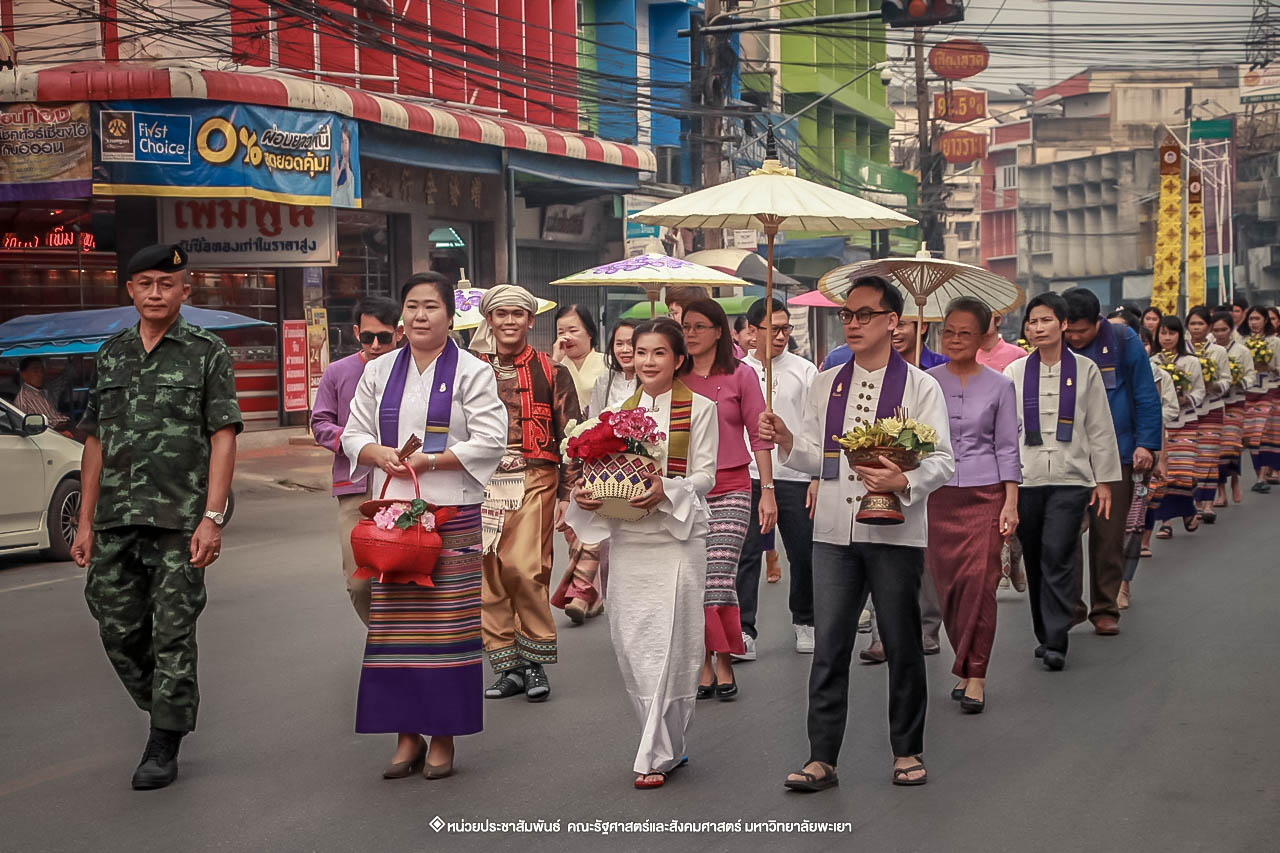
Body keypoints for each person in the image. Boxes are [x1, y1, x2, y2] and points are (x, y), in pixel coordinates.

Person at [759, 275, 954, 791]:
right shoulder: (827, 382)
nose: (853, 323)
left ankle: (907, 750)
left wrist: (904, 479)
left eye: (865, 314)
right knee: (830, 646)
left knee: (902, 640)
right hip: (832, 532)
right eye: (847, 314)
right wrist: (783, 439)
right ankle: (822, 757)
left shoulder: (921, 386)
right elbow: (812, 457)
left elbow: (943, 462)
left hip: (896, 531)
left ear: (894, 322)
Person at [70, 244, 242, 790]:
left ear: (185, 290)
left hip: (179, 518)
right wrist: (85, 521)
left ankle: (163, 740)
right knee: (115, 625)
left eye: (166, 284)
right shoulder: (111, 353)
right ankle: (166, 707)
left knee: (172, 632)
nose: (155, 293)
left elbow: (223, 436)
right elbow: (95, 439)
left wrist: (212, 516)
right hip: (117, 516)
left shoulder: (206, 352)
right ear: (130, 290)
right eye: (144, 283)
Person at [341, 271, 507, 781]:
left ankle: (443, 737)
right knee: (394, 630)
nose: (418, 316)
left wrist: (431, 462)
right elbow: (353, 431)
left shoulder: (474, 371)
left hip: (451, 513)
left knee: (447, 631)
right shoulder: (379, 370)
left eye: (430, 307)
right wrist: (377, 453)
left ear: (450, 316)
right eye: (411, 306)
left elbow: (490, 439)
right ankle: (405, 733)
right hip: (394, 513)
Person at [566, 317, 718, 789]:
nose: (648, 361)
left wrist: (665, 490)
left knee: (674, 645)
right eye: (640, 351)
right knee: (634, 645)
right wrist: (584, 492)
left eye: (659, 353)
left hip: (676, 539)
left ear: (678, 360)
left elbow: (706, 475)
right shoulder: (613, 410)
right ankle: (667, 740)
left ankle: (654, 752)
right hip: (629, 541)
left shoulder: (700, 409)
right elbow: (590, 469)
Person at [471, 286, 581, 702]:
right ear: (491, 321)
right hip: (481, 480)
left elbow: (572, 434)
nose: (510, 321)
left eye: (518, 314)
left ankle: (534, 660)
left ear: (530, 321)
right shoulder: (471, 369)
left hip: (536, 475)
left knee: (524, 566)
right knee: (490, 573)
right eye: (502, 314)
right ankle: (508, 665)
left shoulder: (552, 370)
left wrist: (568, 492)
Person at [1004, 293, 1121, 671]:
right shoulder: (1015, 373)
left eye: (1046, 321)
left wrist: (1103, 481)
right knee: (1037, 557)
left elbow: (1100, 427)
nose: (1038, 328)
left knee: (1058, 551)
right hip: (1028, 479)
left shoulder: (1085, 370)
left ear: (1064, 324)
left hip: (1072, 479)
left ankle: (1057, 638)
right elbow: (1007, 432)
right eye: (1032, 322)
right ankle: (1045, 632)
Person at [926, 298, 1021, 714]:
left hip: (986, 494)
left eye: (965, 332)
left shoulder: (1001, 385)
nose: (955, 339)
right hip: (937, 495)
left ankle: (976, 674)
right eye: (949, 331)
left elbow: (1007, 447)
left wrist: (1010, 503)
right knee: (949, 588)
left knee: (981, 584)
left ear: (983, 337)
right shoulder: (924, 381)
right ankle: (962, 663)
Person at [679, 298, 774, 699]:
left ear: (719, 331)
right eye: (686, 326)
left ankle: (722, 659)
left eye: (700, 326)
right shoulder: (676, 376)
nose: (691, 333)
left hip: (732, 487)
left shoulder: (742, 376)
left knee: (718, 578)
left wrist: (767, 491)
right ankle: (706, 659)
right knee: (694, 578)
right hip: (684, 491)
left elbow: (760, 435)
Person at [1061, 288, 1161, 636]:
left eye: (1080, 332)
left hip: (1115, 455)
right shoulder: (1054, 346)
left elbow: (1145, 394)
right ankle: (1070, 605)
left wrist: (1147, 445)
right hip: (1068, 456)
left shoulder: (1123, 340)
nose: (1073, 338)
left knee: (1107, 534)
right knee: (1064, 532)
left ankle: (1104, 608)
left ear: (1097, 322)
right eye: (1068, 330)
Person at [860, 313, 949, 660]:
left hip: (922, 477)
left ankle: (925, 627)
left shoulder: (932, 373)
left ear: (919, 326)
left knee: (922, 560)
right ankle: (881, 634)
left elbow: (938, 446)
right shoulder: (849, 372)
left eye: (905, 325)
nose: (897, 333)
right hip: (872, 482)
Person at [311, 296, 404, 626]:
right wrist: (359, 445)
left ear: (400, 334)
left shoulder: (414, 372)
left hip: (404, 487)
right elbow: (319, 424)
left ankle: (408, 643)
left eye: (384, 337)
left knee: (408, 576)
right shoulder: (338, 372)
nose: (376, 345)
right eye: (368, 338)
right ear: (355, 333)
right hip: (355, 488)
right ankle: (383, 638)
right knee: (360, 581)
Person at [736, 298, 819, 658]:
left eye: (787, 328)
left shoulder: (805, 370)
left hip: (796, 474)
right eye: (775, 329)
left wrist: (817, 475)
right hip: (749, 474)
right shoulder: (738, 371)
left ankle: (805, 620)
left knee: (803, 553)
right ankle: (743, 628)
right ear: (752, 332)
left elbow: (817, 426)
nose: (783, 335)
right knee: (747, 552)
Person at [551, 319, 638, 622]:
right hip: (598, 461)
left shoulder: (653, 379)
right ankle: (590, 593)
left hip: (637, 467)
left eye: (632, 344)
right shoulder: (607, 379)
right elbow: (596, 422)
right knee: (586, 528)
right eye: (620, 344)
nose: (626, 350)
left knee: (604, 535)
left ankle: (583, 590)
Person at [1150, 316, 1207, 541]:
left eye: (1171, 333)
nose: (1166, 338)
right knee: (1165, 476)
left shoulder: (1191, 361)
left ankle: (1187, 510)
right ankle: (1166, 522)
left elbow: (1200, 391)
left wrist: (1186, 399)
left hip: (1186, 423)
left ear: (1179, 336)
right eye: (1162, 333)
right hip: (1161, 426)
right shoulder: (1152, 362)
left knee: (1183, 474)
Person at [1186, 306, 1233, 523]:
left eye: (1201, 324)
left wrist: (1212, 385)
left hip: (1212, 407)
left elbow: (1226, 380)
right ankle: (1194, 502)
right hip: (1187, 409)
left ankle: (1208, 503)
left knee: (1208, 456)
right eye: (1193, 324)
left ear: (1209, 327)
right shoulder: (1181, 351)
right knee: (1191, 458)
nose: (1196, 328)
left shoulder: (1218, 352)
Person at [1211, 311, 1255, 507]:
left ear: (1231, 329)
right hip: (1214, 403)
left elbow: (1251, 375)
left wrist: (1239, 381)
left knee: (1230, 445)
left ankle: (1235, 479)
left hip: (1234, 402)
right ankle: (1221, 490)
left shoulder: (1241, 351)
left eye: (1224, 329)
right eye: (1216, 330)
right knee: (1216, 451)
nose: (1220, 334)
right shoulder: (1208, 351)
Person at [1243, 306, 1279, 490]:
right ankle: (1259, 475)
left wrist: (1269, 367)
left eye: (1257, 318)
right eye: (1251, 319)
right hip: (1248, 393)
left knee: (1263, 434)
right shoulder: (1242, 342)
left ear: (1265, 320)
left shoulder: (1274, 342)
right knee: (1250, 436)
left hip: (1269, 391)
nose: (1254, 322)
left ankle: (1262, 478)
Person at [822, 318, 947, 370]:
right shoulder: (838, 359)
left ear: (922, 326)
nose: (894, 332)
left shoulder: (943, 366)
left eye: (900, 325)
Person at [552, 304, 607, 411]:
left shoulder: (608, 362)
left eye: (573, 331)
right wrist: (554, 361)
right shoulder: (554, 365)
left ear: (589, 332)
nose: (566, 337)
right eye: (561, 332)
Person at [14, 356, 70, 429]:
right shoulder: (23, 401)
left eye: (42, 371)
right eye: (35, 371)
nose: (40, 374)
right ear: (23, 374)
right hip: (52, 433)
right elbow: (31, 427)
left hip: (64, 424)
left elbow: (63, 379)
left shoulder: (48, 387)